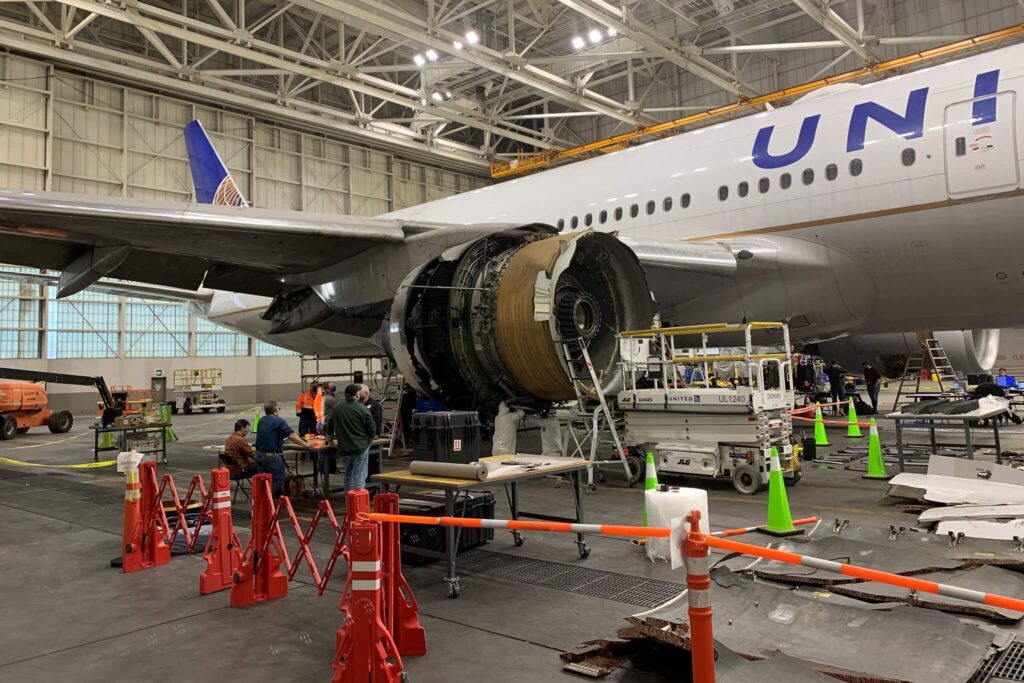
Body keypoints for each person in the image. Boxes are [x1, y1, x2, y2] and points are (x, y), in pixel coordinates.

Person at [256, 400, 310, 496]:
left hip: (258, 455)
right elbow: (291, 435)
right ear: (276, 410)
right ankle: (264, 497)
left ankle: (261, 502)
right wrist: (306, 445)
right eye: (279, 408)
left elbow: (271, 434)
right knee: (279, 479)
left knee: (265, 480)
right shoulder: (279, 421)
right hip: (271, 456)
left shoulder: (261, 420)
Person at [332, 384, 378, 492]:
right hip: (360, 448)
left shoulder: (337, 408)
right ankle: (357, 504)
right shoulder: (362, 408)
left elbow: (329, 425)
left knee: (348, 477)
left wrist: (330, 440)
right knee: (359, 477)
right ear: (357, 394)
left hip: (344, 449)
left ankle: (349, 502)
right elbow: (372, 430)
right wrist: (369, 442)